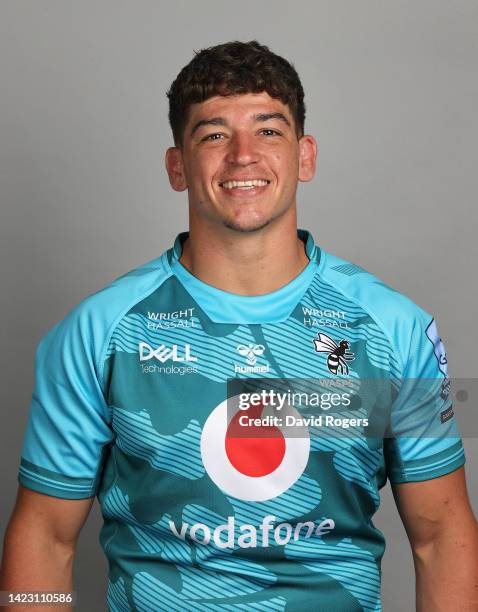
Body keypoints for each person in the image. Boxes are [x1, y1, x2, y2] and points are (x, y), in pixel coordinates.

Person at [1, 40, 477, 612]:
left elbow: (441, 536)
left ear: (306, 156)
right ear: (178, 166)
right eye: (213, 134)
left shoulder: (396, 329)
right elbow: (45, 537)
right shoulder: (98, 332)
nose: (243, 155)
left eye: (269, 131)